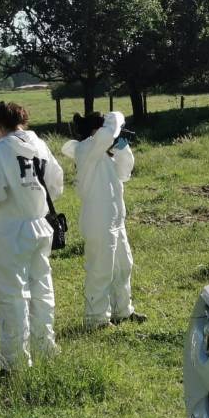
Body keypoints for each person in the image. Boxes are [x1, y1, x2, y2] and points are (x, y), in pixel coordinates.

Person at [0, 102, 64, 370]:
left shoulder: (0, 150)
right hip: (40, 224)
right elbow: (56, 185)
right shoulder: (40, 144)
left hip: (11, 228)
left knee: (13, 294)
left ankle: (15, 359)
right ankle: (46, 346)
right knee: (42, 288)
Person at [62, 112, 146, 330]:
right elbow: (111, 126)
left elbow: (125, 172)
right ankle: (96, 319)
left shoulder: (103, 154)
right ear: (96, 131)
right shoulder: (86, 149)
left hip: (116, 219)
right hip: (98, 221)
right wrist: (115, 120)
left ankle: (123, 311)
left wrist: (122, 148)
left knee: (123, 266)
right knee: (101, 268)